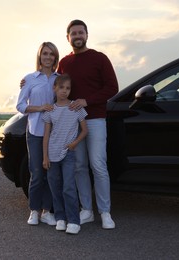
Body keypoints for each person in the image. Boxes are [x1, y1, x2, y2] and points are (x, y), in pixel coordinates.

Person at [57, 19, 119, 229]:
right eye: (73, 33)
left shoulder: (99, 58)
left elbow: (112, 87)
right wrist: (27, 82)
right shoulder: (64, 63)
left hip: (95, 120)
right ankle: (87, 210)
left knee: (98, 165)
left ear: (87, 35)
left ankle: (105, 212)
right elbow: (56, 86)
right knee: (80, 166)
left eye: (80, 32)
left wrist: (87, 100)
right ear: (68, 38)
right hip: (73, 124)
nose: (77, 36)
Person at [16, 42, 59, 226]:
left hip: (55, 133)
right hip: (35, 132)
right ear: (39, 56)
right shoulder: (30, 79)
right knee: (36, 173)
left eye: (51, 54)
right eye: (45, 54)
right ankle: (34, 210)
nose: (48, 57)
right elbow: (20, 106)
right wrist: (40, 108)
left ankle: (47, 211)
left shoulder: (60, 79)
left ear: (55, 58)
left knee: (51, 173)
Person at [42, 74, 88, 235]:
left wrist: (75, 143)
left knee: (68, 187)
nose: (64, 91)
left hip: (68, 153)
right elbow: (46, 136)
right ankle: (60, 218)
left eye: (68, 88)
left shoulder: (76, 108)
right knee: (55, 187)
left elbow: (85, 130)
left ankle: (74, 220)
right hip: (52, 155)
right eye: (61, 87)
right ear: (54, 88)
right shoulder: (50, 111)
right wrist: (45, 157)